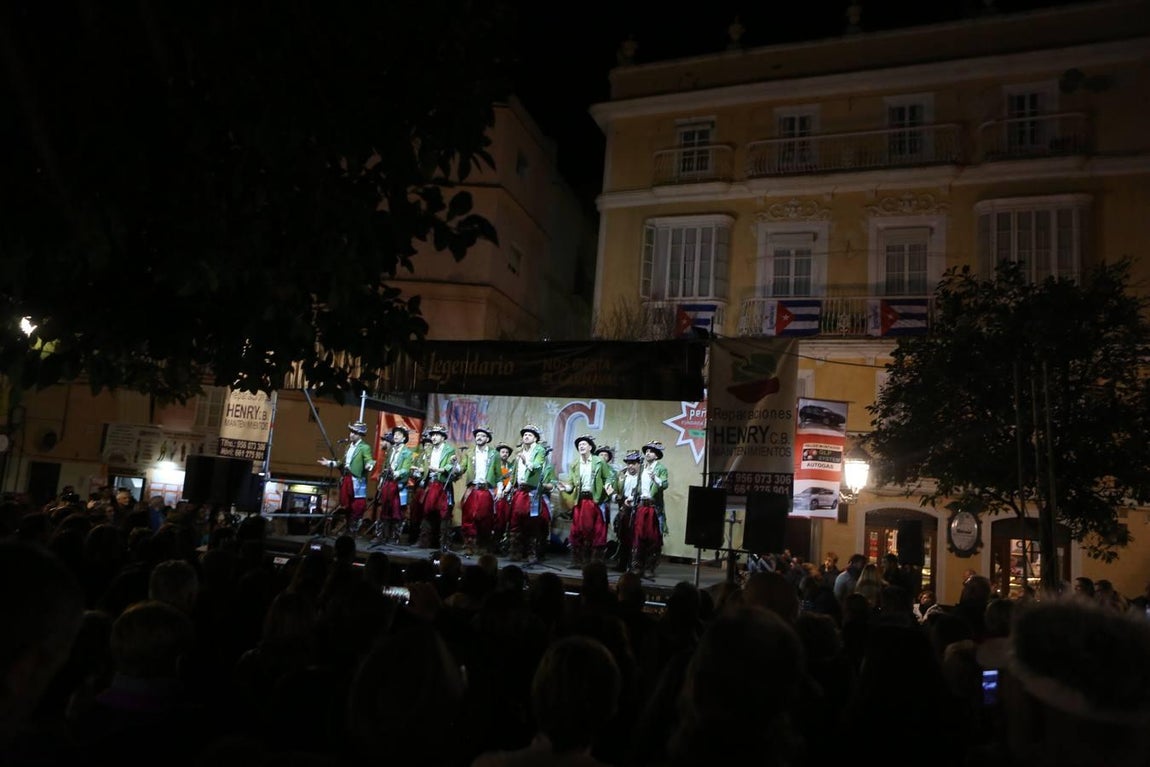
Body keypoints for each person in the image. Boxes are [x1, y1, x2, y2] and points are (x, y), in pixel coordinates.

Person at [561, 435, 613, 568]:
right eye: (579, 445)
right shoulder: (575, 464)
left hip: (595, 501)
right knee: (577, 530)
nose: (581, 446)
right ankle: (577, 561)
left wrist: (608, 486)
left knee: (596, 531)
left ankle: (594, 563)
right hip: (581, 501)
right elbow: (572, 484)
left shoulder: (599, 461)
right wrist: (566, 488)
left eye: (584, 444)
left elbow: (608, 477)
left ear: (590, 447)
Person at [317, 420, 377, 535]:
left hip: (356, 479)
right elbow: (341, 462)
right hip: (346, 478)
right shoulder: (348, 446)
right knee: (347, 506)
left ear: (360, 434)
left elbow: (369, 459)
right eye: (351, 432)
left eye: (354, 433)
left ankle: (353, 530)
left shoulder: (365, 447)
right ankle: (348, 528)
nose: (351, 434)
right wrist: (329, 463)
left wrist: (370, 464)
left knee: (357, 506)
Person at [415, 423, 462, 552]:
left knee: (445, 514)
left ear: (443, 437)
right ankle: (424, 541)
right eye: (433, 435)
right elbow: (425, 466)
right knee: (427, 512)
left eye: (437, 435)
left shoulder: (449, 449)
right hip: (431, 483)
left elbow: (450, 465)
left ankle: (444, 543)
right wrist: (421, 470)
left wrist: (440, 469)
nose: (434, 437)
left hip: (442, 484)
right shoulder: (428, 450)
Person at [508, 423, 549, 563]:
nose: (526, 436)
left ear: (535, 439)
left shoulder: (539, 450)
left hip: (531, 492)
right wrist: (507, 487)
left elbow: (537, 465)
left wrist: (527, 461)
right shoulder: (520, 452)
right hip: (519, 491)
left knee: (532, 523)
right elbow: (514, 473)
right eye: (525, 434)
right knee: (515, 522)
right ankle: (515, 551)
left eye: (530, 435)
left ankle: (531, 553)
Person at [459, 426, 502, 556]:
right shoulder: (469, 452)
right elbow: (461, 468)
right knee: (468, 518)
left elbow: (498, 474)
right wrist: (455, 465)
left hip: (486, 490)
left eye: (482, 436)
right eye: (477, 435)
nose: (479, 437)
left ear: (487, 439)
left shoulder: (494, 454)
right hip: (473, 489)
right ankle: (469, 546)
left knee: (485, 520)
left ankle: (483, 546)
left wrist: (499, 490)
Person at [632, 440, 669, 578]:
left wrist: (656, 479)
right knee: (639, 536)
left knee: (653, 538)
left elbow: (664, 484)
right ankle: (637, 566)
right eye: (647, 451)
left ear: (657, 455)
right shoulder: (642, 468)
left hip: (653, 507)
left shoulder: (660, 469)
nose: (648, 453)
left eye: (651, 451)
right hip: (642, 505)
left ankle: (649, 568)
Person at [373, 425, 415, 545]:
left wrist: (396, 473)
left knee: (397, 512)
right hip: (387, 483)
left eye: (399, 434)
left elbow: (406, 469)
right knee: (384, 509)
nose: (396, 436)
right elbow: (385, 466)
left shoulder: (407, 452)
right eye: (395, 433)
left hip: (398, 484)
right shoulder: (390, 450)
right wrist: (381, 481)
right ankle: (382, 536)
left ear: (404, 438)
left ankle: (394, 537)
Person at [612, 451, 642, 573]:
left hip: (637, 510)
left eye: (633, 463)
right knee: (623, 537)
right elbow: (613, 490)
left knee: (635, 538)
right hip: (624, 510)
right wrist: (618, 499)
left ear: (639, 464)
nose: (631, 466)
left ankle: (634, 565)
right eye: (629, 463)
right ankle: (622, 564)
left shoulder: (642, 477)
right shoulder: (621, 476)